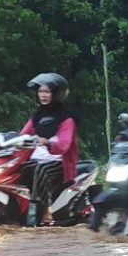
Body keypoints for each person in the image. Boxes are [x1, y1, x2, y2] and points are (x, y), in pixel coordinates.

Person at [20, 73, 79, 225]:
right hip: (36, 159)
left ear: (56, 94)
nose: (43, 95)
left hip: (59, 162)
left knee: (41, 170)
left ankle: (47, 212)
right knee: (18, 169)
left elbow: (63, 145)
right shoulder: (37, 115)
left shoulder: (66, 118)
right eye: (40, 92)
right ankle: (20, 208)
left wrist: (46, 142)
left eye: (47, 92)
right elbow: (22, 135)